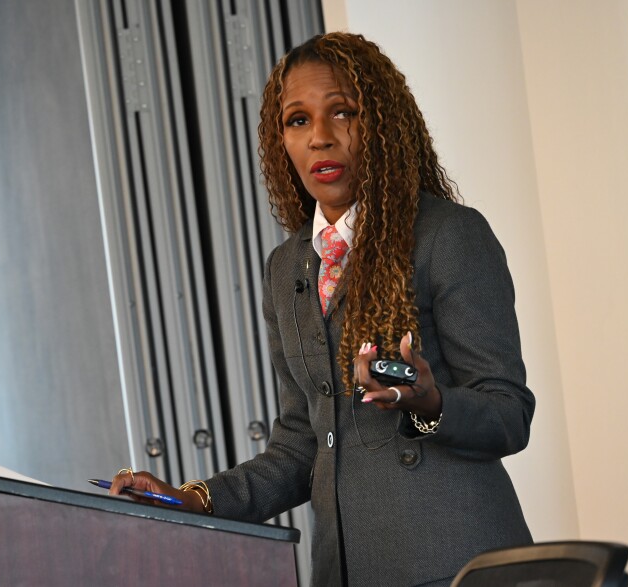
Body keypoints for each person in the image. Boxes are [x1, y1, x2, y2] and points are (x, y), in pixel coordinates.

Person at [110, 32, 534, 586]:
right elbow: (300, 444)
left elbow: (508, 414)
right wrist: (194, 498)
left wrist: (429, 404)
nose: (320, 138)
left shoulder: (448, 235)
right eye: (298, 120)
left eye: (342, 113)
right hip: (348, 569)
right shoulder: (286, 267)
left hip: (456, 563)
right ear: (279, 139)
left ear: (381, 124)